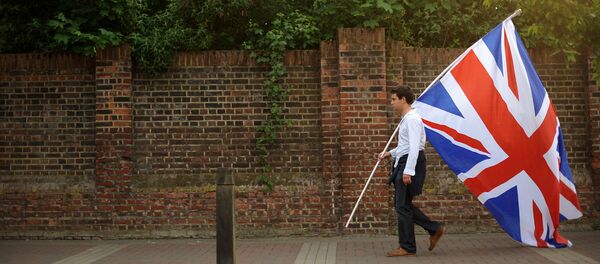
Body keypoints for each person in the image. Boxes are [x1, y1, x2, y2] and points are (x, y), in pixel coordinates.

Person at [377, 85, 444, 257]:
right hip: (405, 160)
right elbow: (405, 146)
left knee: (402, 206)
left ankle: (407, 246)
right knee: (403, 205)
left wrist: (408, 171)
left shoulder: (412, 119)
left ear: (403, 99)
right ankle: (434, 229)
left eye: (393, 99)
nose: (391, 102)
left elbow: (415, 147)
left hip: (409, 163)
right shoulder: (407, 119)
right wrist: (389, 154)